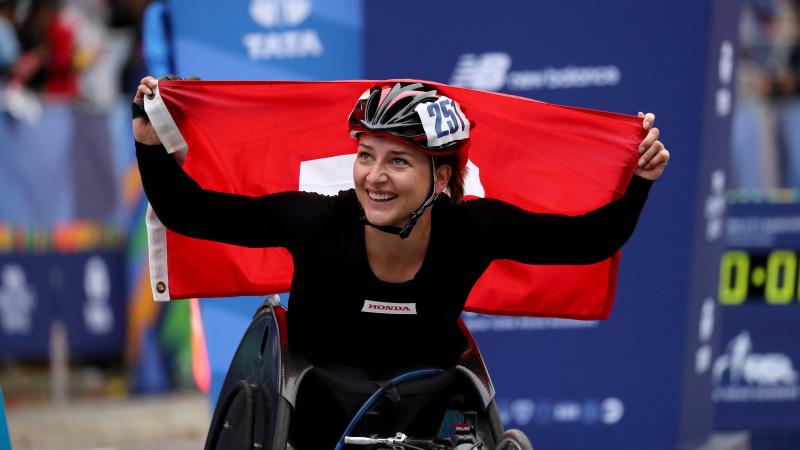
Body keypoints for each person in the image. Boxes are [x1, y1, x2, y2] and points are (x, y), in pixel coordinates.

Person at [133, 77, 669, 448]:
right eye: (365, 155)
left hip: (428, 414)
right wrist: (149, 144)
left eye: (398, 161)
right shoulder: (315, 222)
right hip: (312, 409)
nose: (374, 175)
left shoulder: (473, 229)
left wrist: (639, 180)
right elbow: (192, 213)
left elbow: (588, 243)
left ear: (440, 178)